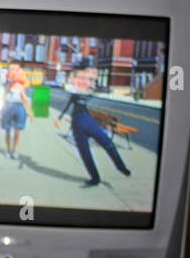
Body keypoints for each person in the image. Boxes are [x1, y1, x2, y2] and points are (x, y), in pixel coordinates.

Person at [54, 59, 132, 187]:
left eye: (90, 79)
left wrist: (94, 86)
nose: (88, 82)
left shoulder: (91, 89)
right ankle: (95, 178)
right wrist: (59, 118)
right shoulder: (75, 92)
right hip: (78, 124)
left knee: (108, 144)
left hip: (89, 122)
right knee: (85, 153)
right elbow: (68, 104)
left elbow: (97, 89)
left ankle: (121, 167)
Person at [0, 63, 31, 160]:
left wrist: (30, 112)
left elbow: (24, 99)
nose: (13, 73)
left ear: (20, 72)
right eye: (11, 70)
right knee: (7, 131)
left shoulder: (20, 86)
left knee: (17, 132)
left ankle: (13, 150)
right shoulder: (7, 86)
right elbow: (2, 98)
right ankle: (7, 150)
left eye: (16, 70)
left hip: (19, 107)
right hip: (7, 107)